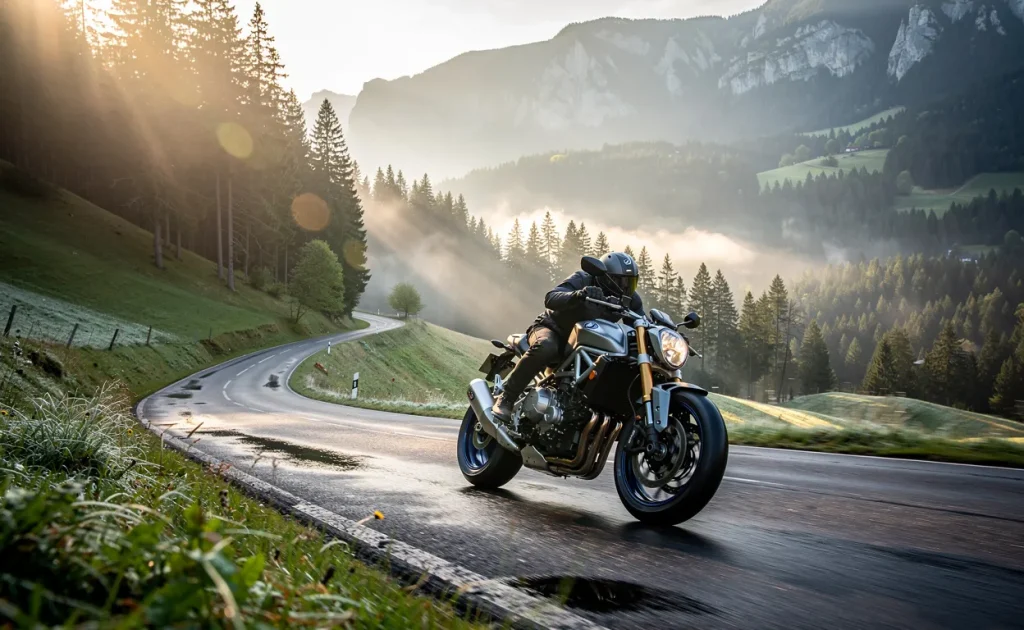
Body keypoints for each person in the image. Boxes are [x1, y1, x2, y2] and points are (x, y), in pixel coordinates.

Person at [492, 252, 644, 423]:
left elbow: (639, 323)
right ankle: (506, 398)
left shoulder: (630, 299)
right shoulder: (584, 279)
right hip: (553, 330)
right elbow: (551, 297)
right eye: (619, 280)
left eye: (630, 282)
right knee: (546, 347)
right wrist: (578, 295)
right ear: (606, 277)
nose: (624, 287)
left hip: (586, 343)